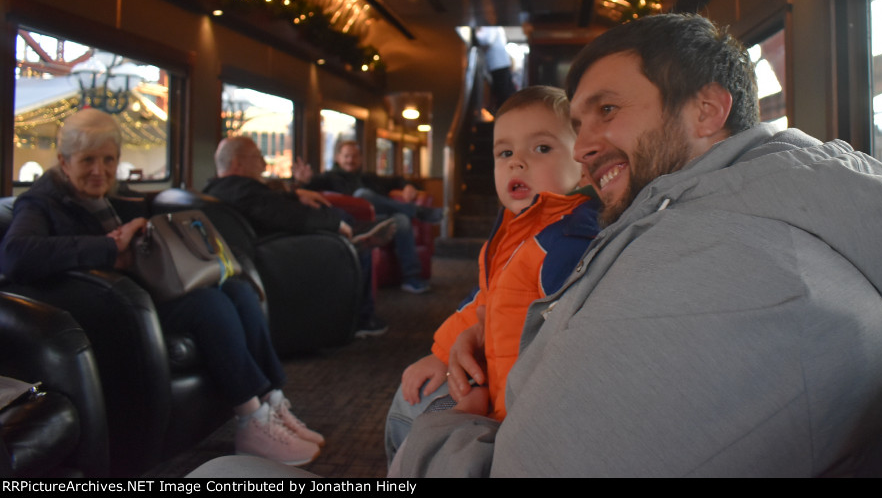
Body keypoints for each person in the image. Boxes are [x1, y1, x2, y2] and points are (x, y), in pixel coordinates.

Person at [392, 13, 882, 477]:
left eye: (608, 110)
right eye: (578, 124)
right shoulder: (728, 210)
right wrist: (484, 332)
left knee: (407, 407)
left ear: (706, 111)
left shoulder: (720, 261)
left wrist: (449, 424)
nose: (581, 148)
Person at [0, 110, 324, 466]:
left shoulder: (109, 195)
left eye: (109, 160)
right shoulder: (40, 202)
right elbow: (15, 257)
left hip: (139, 296)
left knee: (236, 290)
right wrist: (110, 247)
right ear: (63, 161)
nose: (99, 170)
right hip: (106, 313)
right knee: (208, 306)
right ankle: (250, 420)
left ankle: (273, 402)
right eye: (87, 160)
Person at [384, 86, 600, 463]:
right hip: (492, 391)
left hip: (520, 417)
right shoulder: (514, 231)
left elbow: (555, 346)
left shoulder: (568, 239)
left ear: (581, 163)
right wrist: (442, 353)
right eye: (505, 152)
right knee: (408, 401)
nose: (517, 163)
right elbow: (485, 300)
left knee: (411, 422)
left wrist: (484, 406)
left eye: (542, 148)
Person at [204, 136, 394, 337]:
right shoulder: (243, 189)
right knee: (355, 247)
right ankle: (363, 319)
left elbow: (268, 204)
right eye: (257, 157)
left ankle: (358, 232)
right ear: (237, 162)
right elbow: (288, 215)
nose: (263, 163)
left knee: (342, 221)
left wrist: (295, 195)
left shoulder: (218, 188)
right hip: (280, 255)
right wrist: (335, 224)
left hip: (269, 247)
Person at [304, 141, 438, 294]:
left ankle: (411, 278)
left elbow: (397, 180)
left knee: (402, 219)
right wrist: (304, 181)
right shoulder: (330, 177)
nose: (350, 160)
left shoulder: (369, 178)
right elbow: (309, 188)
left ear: (360, 159)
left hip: (379, 220)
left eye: (354, 156)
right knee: (363, 194)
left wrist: (408, 186)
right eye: (346, 156)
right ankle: (416, 211)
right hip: (356, 223)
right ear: (338, 158)